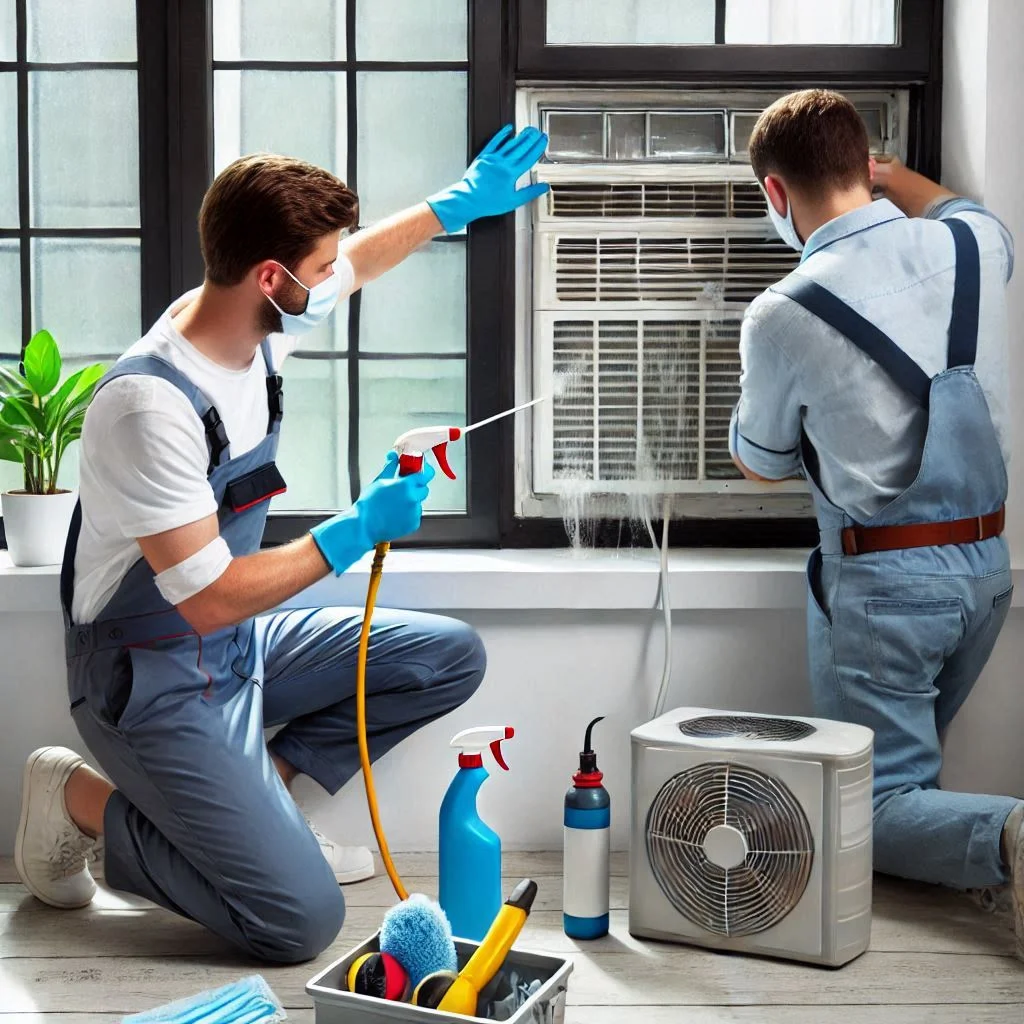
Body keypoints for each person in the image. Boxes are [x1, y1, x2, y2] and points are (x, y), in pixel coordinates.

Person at [13, 125, 550, 964]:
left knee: (446, 657)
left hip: (235, 650)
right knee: (297, 922)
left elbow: (361, 260)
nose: (336, 276)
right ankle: (78, 800)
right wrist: (358, 528)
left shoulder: (253, 327)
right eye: (321, 265)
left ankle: (264, 797)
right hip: (149, 677)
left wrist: (456, 204)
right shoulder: (149, 405)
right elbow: (206, 595)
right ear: (273, 276)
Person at [729, 89, 1022, 956]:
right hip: (987, 574)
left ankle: (1008, 836)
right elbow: (952, 203)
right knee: (908, 773)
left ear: (776, 196)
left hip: (887, 590)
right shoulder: (975, 244)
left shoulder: (783, 311)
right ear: (868, 168)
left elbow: (762, 464)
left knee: (871, 801)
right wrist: (892, 177)